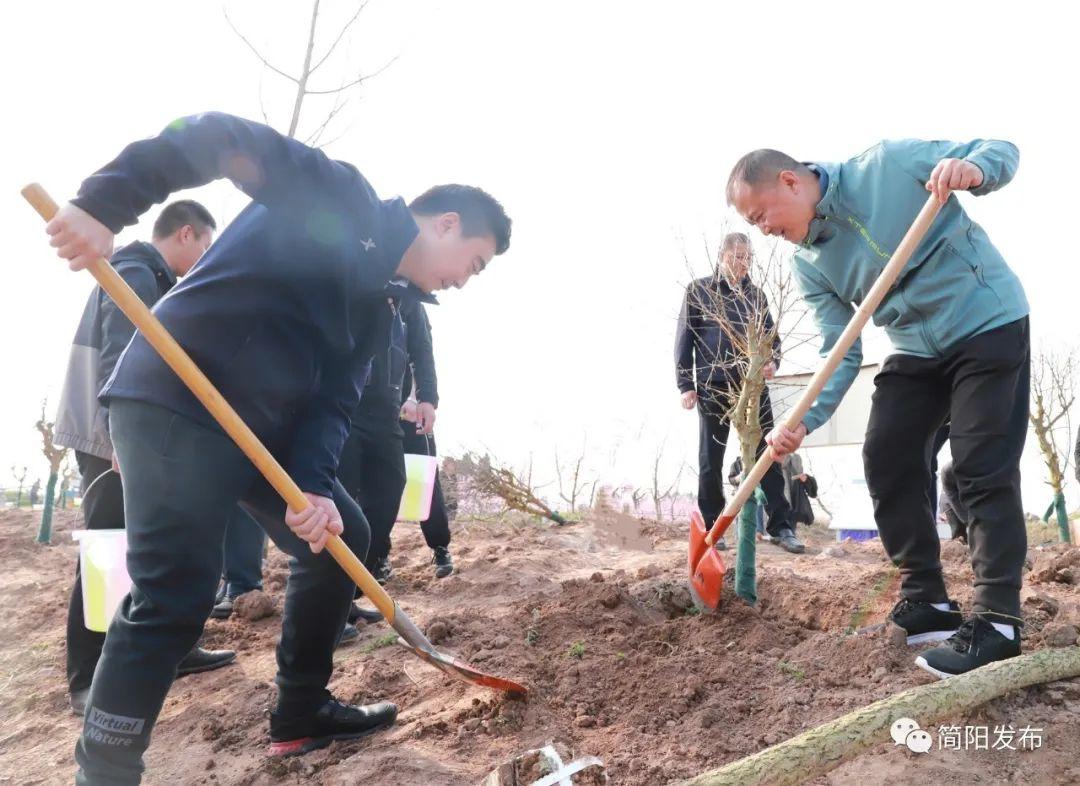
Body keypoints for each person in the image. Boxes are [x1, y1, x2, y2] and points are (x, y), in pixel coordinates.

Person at [43, 112, 511, 785]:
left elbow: (334, 403)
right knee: (177, 589)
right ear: (445, 224)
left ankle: (300, 711)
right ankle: (105, 769)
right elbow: (218, 135)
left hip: (258, 430)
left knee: (338, 532)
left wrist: (315, 486)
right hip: (179, 397)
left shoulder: (382, 302)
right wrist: (103, 202)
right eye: (474, 262)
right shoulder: (337, 196)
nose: (467, 279)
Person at [727, 140, 1028, 677]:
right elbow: (838, 351)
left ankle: (998, 621)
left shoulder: (886, 167)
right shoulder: (809, 264)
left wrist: (974, 169)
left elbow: (1000, 149)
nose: (761, 230)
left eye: (760, 214)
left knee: (981, 465)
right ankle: (929, 603)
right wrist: (801, 423)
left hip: (985, 322)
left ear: (790, 183)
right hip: (916, 347)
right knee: (888, 454)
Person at [53, 201, 237, 716]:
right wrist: (118, 437)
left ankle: (173, 648)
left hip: (130, 432)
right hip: (106, 434)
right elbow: (122, 355)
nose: (204, 259)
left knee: (152, 543)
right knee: (106, 546)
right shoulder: (133, 271)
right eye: (205, 247)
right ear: (186, 234)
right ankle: (86, 678)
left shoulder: (152, 275)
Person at [675, 232, 803, 554]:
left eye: (747, 258)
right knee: (710, 460)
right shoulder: (699, 291)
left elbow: (772, 339)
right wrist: (686, 385)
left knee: (769, 453)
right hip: (713, 386)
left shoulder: (756, 297)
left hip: (752, 386)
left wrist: (772, 359)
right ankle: (712, 529)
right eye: (737, 257)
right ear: (722, 256)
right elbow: (683, 340)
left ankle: (781, 526)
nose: (743, 264)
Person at [781, 453, 817, 528]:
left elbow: (798, 474)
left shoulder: (796, 458)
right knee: (781, 530)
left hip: (794, 501)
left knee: (790, 529)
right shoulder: (775, 457)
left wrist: (804, 478)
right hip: (781, 500)